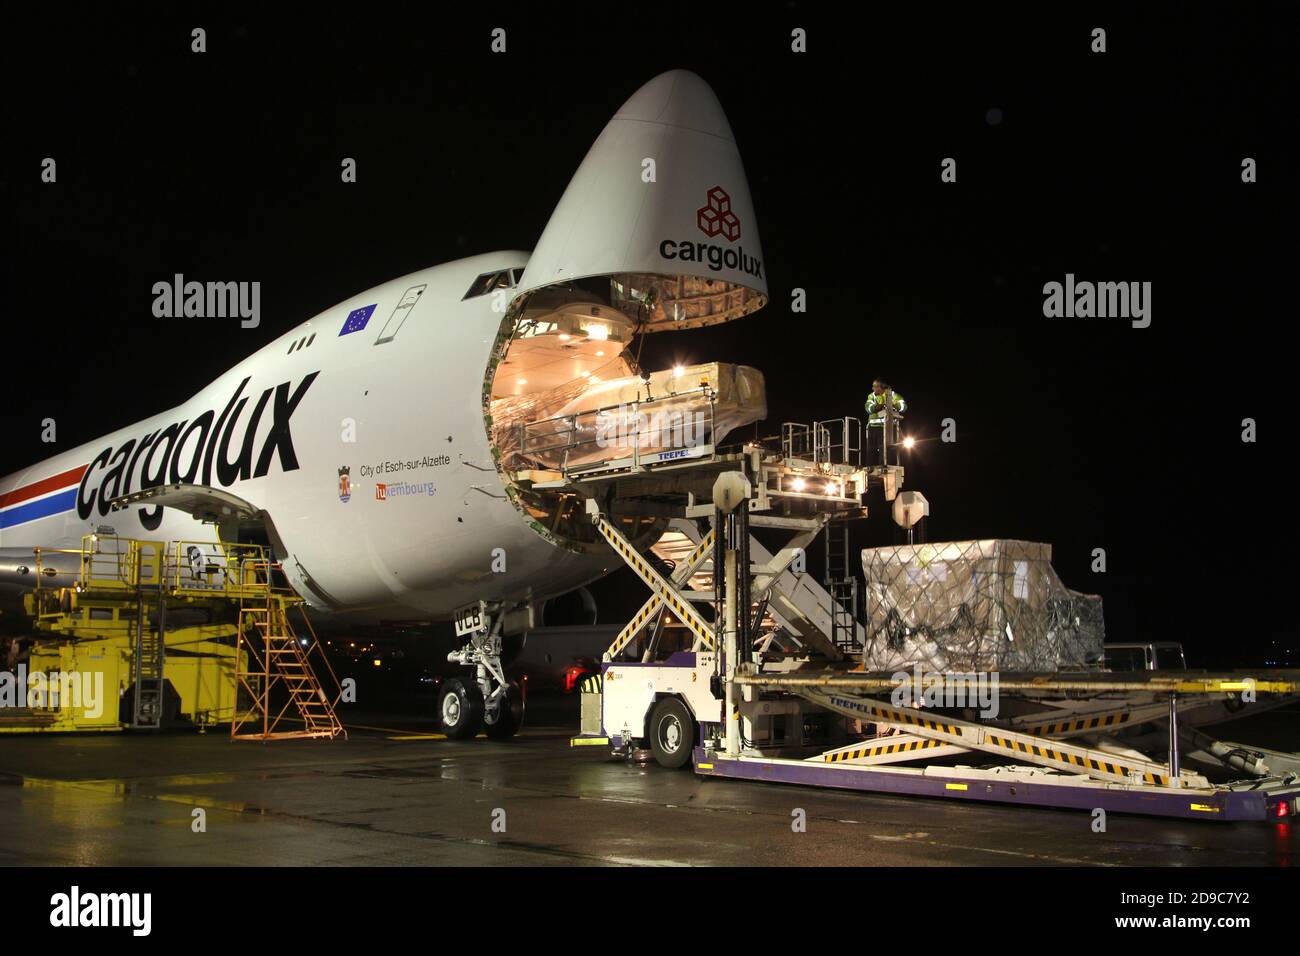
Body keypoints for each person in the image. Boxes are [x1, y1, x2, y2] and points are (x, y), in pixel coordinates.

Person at [864, 379, 906, 467]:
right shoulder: (872, 396)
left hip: (887, 428)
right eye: (873, 386)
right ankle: (869, 467)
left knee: (885, 448)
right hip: (873, 427)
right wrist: (877, 407)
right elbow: (868, 407)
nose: (873, 388)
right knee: (870, 449)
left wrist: (895, 405)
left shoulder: (893, 395)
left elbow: (904, 406)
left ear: (882, 387)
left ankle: (883, 466)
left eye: (875, 386)